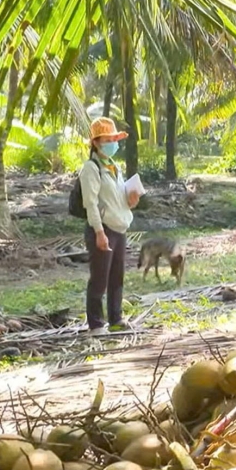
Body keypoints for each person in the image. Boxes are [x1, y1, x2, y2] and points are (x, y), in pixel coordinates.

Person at [80, 117, 141, 336]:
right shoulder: (91, 168)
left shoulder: (114, 166)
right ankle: (96, 324)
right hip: (103, 228)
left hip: (119, 227)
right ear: (96, 143)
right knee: (100, 278)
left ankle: (116, 318)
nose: (112, 143)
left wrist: (131, 200)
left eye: (114, 139)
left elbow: (118, 197)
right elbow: (91, 203)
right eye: (107, 139)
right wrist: (98, 232)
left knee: (117, 276)